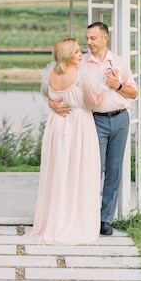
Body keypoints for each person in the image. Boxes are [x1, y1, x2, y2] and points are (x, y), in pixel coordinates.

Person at [48, 22, 138, 236]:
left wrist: (117, 85)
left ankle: (105, 220)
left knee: (114, 171)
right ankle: (84, 216)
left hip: (120, 119)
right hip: (93, 121)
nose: (88, 42)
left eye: (93, 38)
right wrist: (52, 103)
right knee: (90, 170)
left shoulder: (119, 62)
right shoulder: (79, 63)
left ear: (105, 38)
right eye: (87, 38)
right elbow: (58, 85)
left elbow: (133, 93)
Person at [27, 37, 101, 245]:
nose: (81, 54)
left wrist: (52, 102)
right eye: (77, 51)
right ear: (68, 55)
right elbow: (93, 104)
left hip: (56, 125)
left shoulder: (50, 75)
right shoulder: (81, 75)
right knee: (79, 172)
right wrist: (105, 88)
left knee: (57, 172)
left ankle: (54, 220)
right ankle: (74, 221)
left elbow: (46, 95)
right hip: (78, 126)